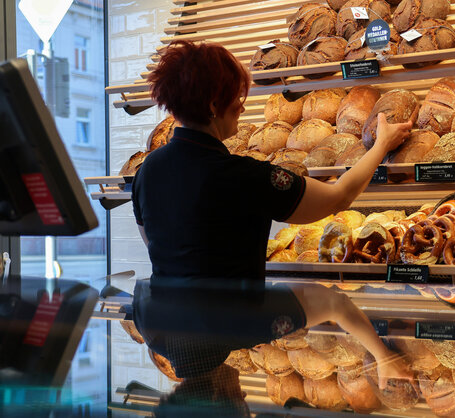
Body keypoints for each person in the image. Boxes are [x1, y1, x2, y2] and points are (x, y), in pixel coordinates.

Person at [131, 40, 413, 389]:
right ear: (213, 104)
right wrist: (381, 145)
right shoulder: (246, 176)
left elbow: (157, 245)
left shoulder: (148, 170)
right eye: (236, 96)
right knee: (333, 300)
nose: (241, 104)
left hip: (164, 330)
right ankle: (383, 359)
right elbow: (340, 196)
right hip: (235, 321)